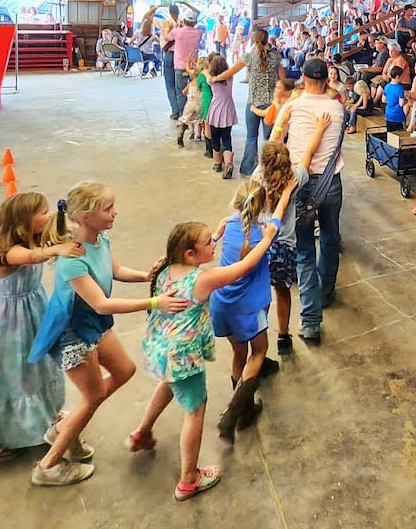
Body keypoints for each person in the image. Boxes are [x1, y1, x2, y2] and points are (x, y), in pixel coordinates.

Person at [28, 182, 188, 486]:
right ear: (86, 217)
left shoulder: (100, 239)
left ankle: (63, 430)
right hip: (74, 333)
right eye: (108, 209)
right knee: (94, 396)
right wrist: (155, 302)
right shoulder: (71, 260)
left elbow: (113, 270)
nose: (115, 213)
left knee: (124, 370)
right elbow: (101, 304)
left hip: (94, 326)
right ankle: (48, 465)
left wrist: (147, 276)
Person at [126, 214, 277, 502]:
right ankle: (188, 479)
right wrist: (267, 237)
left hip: (162, 350)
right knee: (195, 410)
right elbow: (243, 267)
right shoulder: (203, 280)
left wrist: (218, 234)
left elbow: (200, 252)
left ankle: (142, 433)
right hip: (184, 356)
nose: (214, 246)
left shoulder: (166, 267)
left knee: (169, 386)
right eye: (209, 243)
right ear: (190, 253)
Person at [0, 192, 84, 469]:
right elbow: (30, 257)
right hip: (9, 322)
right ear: (24, 221)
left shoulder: (35, 237)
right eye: (42, 213)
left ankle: (39, 418)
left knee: (34, 369)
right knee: (6, 374)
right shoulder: (8, 251)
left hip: (33, 309)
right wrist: (55, 250)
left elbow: (58, 236)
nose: (48, 215)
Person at [207, 177, 296, 441]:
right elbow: (280, 212)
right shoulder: (267, 231)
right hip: (248, 307)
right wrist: (287, 189)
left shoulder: (229, 224)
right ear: (263, 204)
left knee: (239, 354)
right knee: (258, 352)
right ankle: (235, 410)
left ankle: (245, 408)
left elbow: (223, 228)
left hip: (222, 302)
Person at [270, 58, 344, 345]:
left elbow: (276, 138)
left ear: (302, 77)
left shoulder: (293, 105)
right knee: (330, 237)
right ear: (327, 79)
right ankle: (325, 292)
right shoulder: (337, 108)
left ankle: (311, 322)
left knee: (303, 250)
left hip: (298, 182)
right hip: (331, 182)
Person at [254, 140, 321, 357]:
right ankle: (283, 336)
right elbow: (308, 155)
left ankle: (260, 337)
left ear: (263, 163)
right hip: (284, 247)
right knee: (282, 290)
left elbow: (272, 139)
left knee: (261, 294)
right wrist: (318, 130)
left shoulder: (257, 177)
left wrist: (281, 120)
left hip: (260, 245)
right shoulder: (293, 180)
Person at [215, 28, 280, 177]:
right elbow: (282, 79)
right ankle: (270, 169)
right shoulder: (276, 57)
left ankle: (247, 168)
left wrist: (216, 78)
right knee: (270, 139)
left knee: (251, 137)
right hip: (271, 104)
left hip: (252, 104)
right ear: (267, 39)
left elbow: (230, 72)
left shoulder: (249, 57)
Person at [203, 53, 239, 179]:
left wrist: (208, 69)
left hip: (215, 110)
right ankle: (228, 163)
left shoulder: (211, 80)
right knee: (226, 138)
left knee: (215, 138)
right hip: (228, 109)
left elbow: (206, 73)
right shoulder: (230, 78)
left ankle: (217, 163)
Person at [382, 65, 408, 131]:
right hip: (398, 116)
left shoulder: (387, 86)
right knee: (400, 136)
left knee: (390, 135)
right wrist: (406, 100)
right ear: (397, 76)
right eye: (402, 76)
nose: (403, 77)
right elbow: (401, 103)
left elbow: (383, 100)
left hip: (388, 115)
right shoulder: (400, 88)